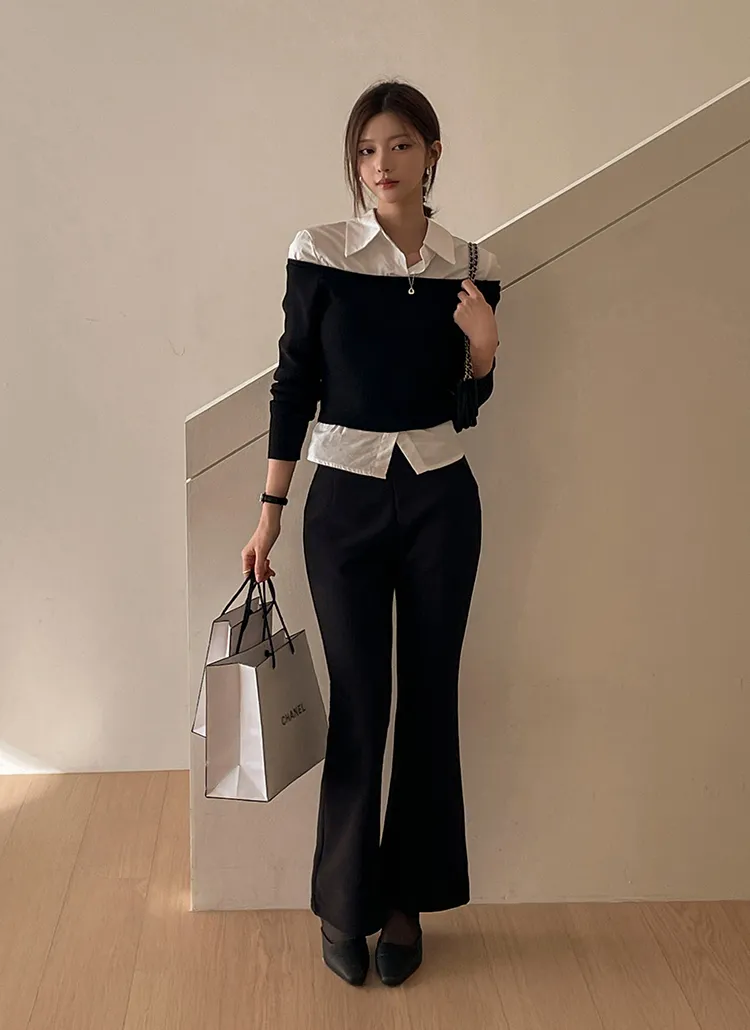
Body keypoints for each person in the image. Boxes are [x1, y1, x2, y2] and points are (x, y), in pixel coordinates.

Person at [241, 79, 501, 988]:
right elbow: (294, 382)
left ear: (431, 153)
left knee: (429, 701)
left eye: (398, 146)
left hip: (441, 502)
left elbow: (464, 405)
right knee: (362, 702)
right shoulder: (320, 253)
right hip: (344, 504)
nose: (380, 165)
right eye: (365, 150)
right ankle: (343, 903)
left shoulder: (470, 262)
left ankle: (406, 901)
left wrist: (484, 348)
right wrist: (270, 509)